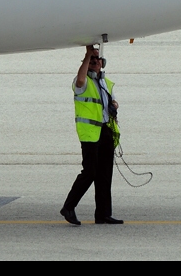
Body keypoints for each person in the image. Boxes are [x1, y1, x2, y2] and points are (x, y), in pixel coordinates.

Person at [60, 44, 123, 225]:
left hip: (106, 130)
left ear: (102, 64)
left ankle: (103, 214)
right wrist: (87, 55)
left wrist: (115, 105)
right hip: (90, 133)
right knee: (90, 172)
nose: (94, 63)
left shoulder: (106, 83)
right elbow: (80, 81)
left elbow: (109, 102)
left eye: (97, 61)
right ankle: (68, 207)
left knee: (105, 173)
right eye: (91, 61)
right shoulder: (82, 82)